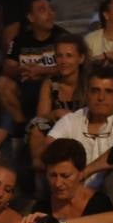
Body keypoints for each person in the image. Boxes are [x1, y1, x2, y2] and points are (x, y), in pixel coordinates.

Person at [41, 65, 113, 191]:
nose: (101, 98)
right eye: (95, 91)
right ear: (87, 94)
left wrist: (86, 172)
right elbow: (49, 149)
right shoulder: (71, 120)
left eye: (108, 91)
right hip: (75, 192)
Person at [0, 0, 70, 128]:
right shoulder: (20, 39)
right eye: (43, 10)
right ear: (30, 17)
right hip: (27, 86)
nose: (50, 13)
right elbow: (8, 67)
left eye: (51, 9)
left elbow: (72, 66)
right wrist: (23, 70)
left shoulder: (63, 37)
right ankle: (22, 126)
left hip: (55, 87)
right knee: (1, 84)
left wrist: (41, 71)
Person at [29, 34, 88, 170]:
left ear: (81, 58)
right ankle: (41, 167)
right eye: (60, 56)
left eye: (69, 56)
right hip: (57, 130)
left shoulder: (89, 81)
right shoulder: (50, 83)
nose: (63, 61)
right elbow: (41, 117)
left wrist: (73, 118)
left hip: (85, 127)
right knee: (37, 127)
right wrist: (56, 113)